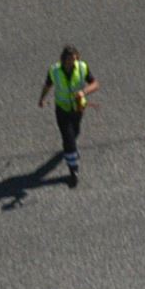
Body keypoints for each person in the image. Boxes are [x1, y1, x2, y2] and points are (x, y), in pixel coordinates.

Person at [40, 44, 98, 185]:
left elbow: (95, 84)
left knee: (75, 132)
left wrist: (83, 92)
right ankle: (73, 169)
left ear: (77, 58)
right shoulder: (54, 71)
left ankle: (69, 151)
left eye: (73, 60)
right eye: (68, 61)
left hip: (78, 109)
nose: (71, 63)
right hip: (62, 109)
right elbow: (48, 85)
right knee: (69, 138)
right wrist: (42, 98)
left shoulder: (83, 67)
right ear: (63, 59)